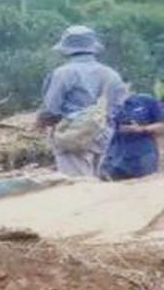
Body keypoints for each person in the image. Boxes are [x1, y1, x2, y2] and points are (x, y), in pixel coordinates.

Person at [37, 26, 127, 177]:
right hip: (103, 135)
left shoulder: (63, 73)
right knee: (99, 181)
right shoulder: (112, 75)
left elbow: (51, 110)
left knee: (77, 185)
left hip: (72, 136)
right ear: (93, 47)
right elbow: (118, 108)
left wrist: (40, 123)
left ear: (66, 49)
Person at [103, 92, 164, 181]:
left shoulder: (146, 101)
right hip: (117, 158)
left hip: (143, 157)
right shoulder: (111, 105)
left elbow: (162, 126)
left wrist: (142, 129)